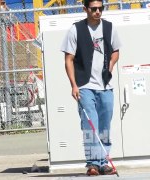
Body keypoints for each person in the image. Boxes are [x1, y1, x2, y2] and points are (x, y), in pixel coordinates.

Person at [61, 0, 121, 176]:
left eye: (100, 9)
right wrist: (73, 85)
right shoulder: (75, 29)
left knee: (104, 126)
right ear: (85, 9)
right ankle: (93, 163)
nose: (97, 12)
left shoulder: (110, 28)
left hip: (105, 85)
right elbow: (68, 60)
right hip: (84, 85)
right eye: (93, 9)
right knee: (90, 125)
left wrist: (110, 66)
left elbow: (116, 50)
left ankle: (104, 161)